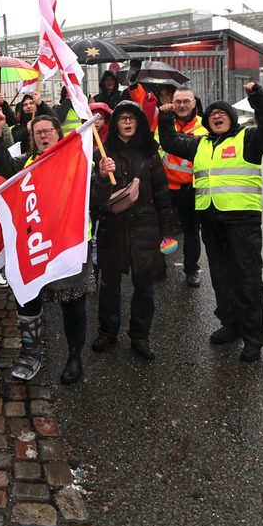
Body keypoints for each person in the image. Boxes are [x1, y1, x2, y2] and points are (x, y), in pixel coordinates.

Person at [158, 81, 263, 362]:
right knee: (221, 277)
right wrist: (166, 116)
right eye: (212, 114)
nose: (216, 116)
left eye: (222, 113)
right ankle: (231, 323)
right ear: (207, 121)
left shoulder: (248, 140)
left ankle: (254, 336)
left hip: (242, 221)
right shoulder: (199, 144)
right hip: (211, 220)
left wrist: (257, 95)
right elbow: (169, 142)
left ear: (231, 119)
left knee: (247, 279)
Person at [0, 110, 94, 384]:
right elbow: (1, 166)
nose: (43, 135)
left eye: (48, 130)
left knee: (72, 304)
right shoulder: (27, 163)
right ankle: (30, 352)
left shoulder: (77, 160)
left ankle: (74, 356)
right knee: (28, 299)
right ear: (33, 140)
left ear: (59, 133)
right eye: (38, 133)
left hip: (68, 246)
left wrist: (105, 176)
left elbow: (95, 195)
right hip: (35, 245)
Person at [90, 102, 172, 360]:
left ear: (138, 122)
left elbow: (162, 193)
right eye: (122, 118)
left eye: (131, 118)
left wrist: (166, 231)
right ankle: (108, 332)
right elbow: (95, 199)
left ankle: (140, 335)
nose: (126, 122)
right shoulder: (102, 154)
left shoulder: (149, 153)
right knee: (110, 286)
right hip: (113, 229)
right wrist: (102, 177)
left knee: (144, 288)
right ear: (114, 124)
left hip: (145, 228)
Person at [153, 86, 209, 287]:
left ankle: (191, 269)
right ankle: (159, 268)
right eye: (178, 102)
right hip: (166, 188)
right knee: (161, 230)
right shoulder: (163, 123)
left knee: (191, 231)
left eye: (186, 101)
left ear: (194, 103)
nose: (182, 105)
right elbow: (156, 149)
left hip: (190, 189)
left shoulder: (205, 126)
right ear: (172, 104)